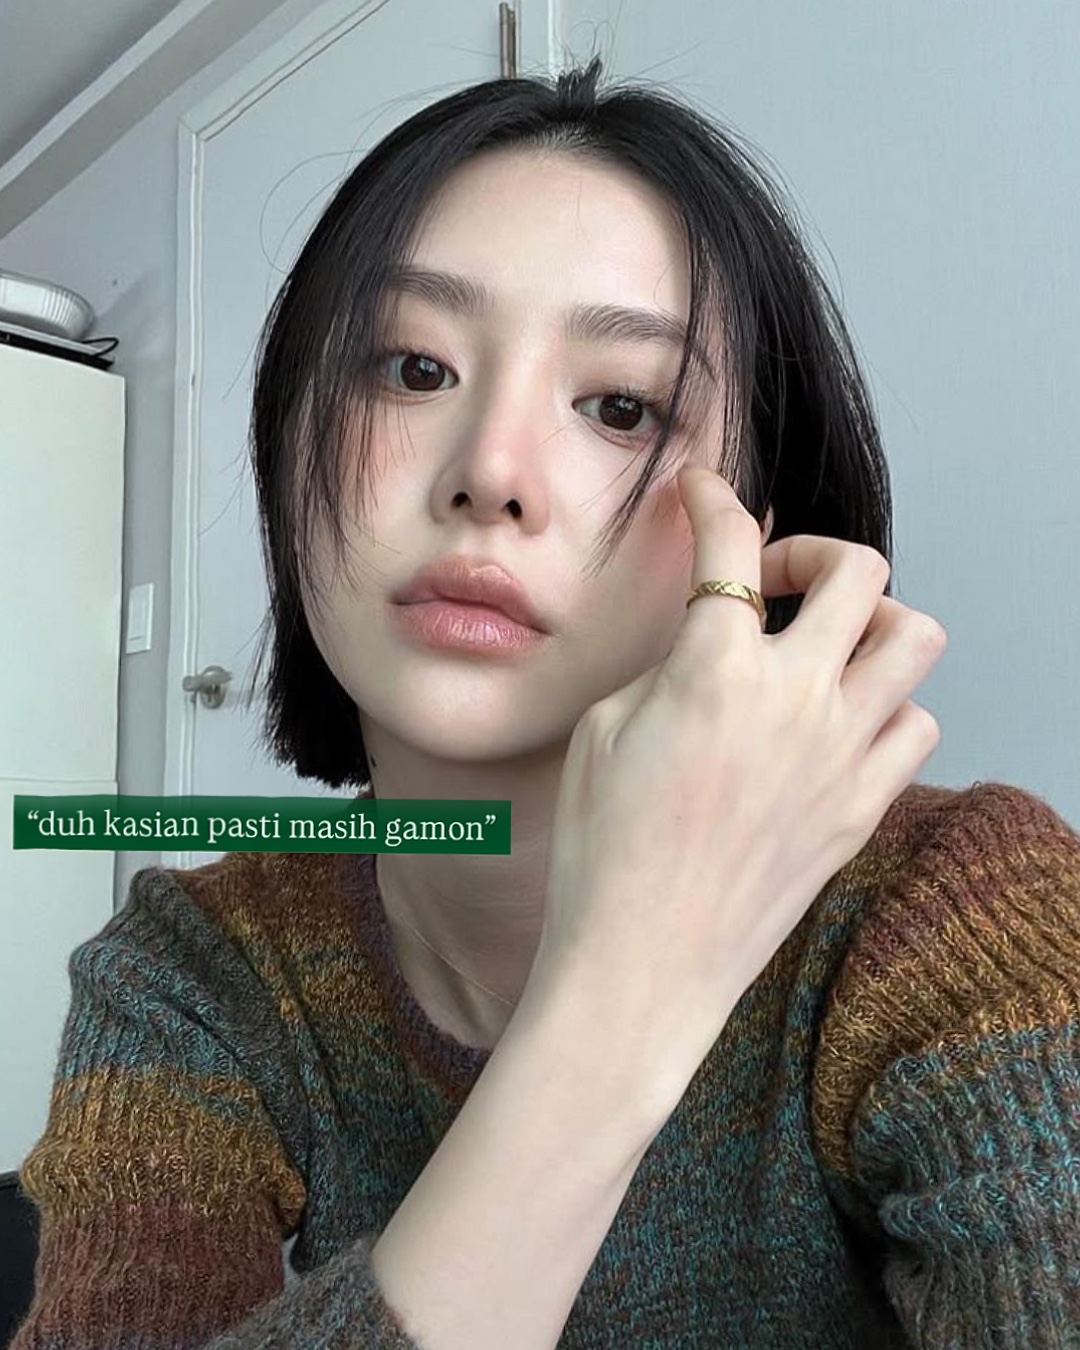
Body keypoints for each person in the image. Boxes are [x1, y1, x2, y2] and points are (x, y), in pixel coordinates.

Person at [10, 56, 1080, 1350]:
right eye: (412, 369)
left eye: (622, 406)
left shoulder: (957, 905)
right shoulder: (192, 973)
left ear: (759, 529)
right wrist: (618, 1006)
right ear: (285, 451)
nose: (493, 474)